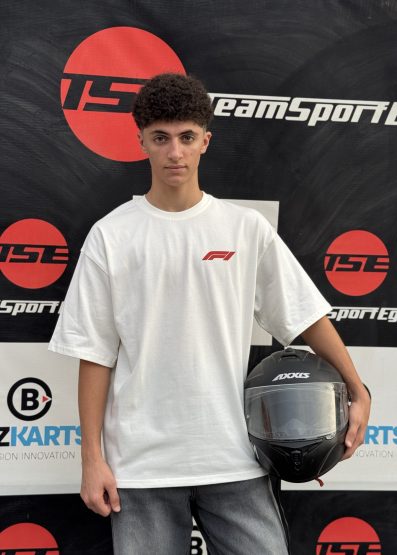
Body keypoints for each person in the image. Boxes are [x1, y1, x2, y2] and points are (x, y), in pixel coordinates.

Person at [49, 73, 370, 554]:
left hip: (235, 456)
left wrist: (358, 389)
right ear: (141, 142)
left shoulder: (244, 228)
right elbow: (95, 353)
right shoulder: (111, 236)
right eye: (161, 138)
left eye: (186, 137)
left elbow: (304, 316)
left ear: (205, 141)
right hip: (141, 465)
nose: (174, 152)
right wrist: (91, 459)